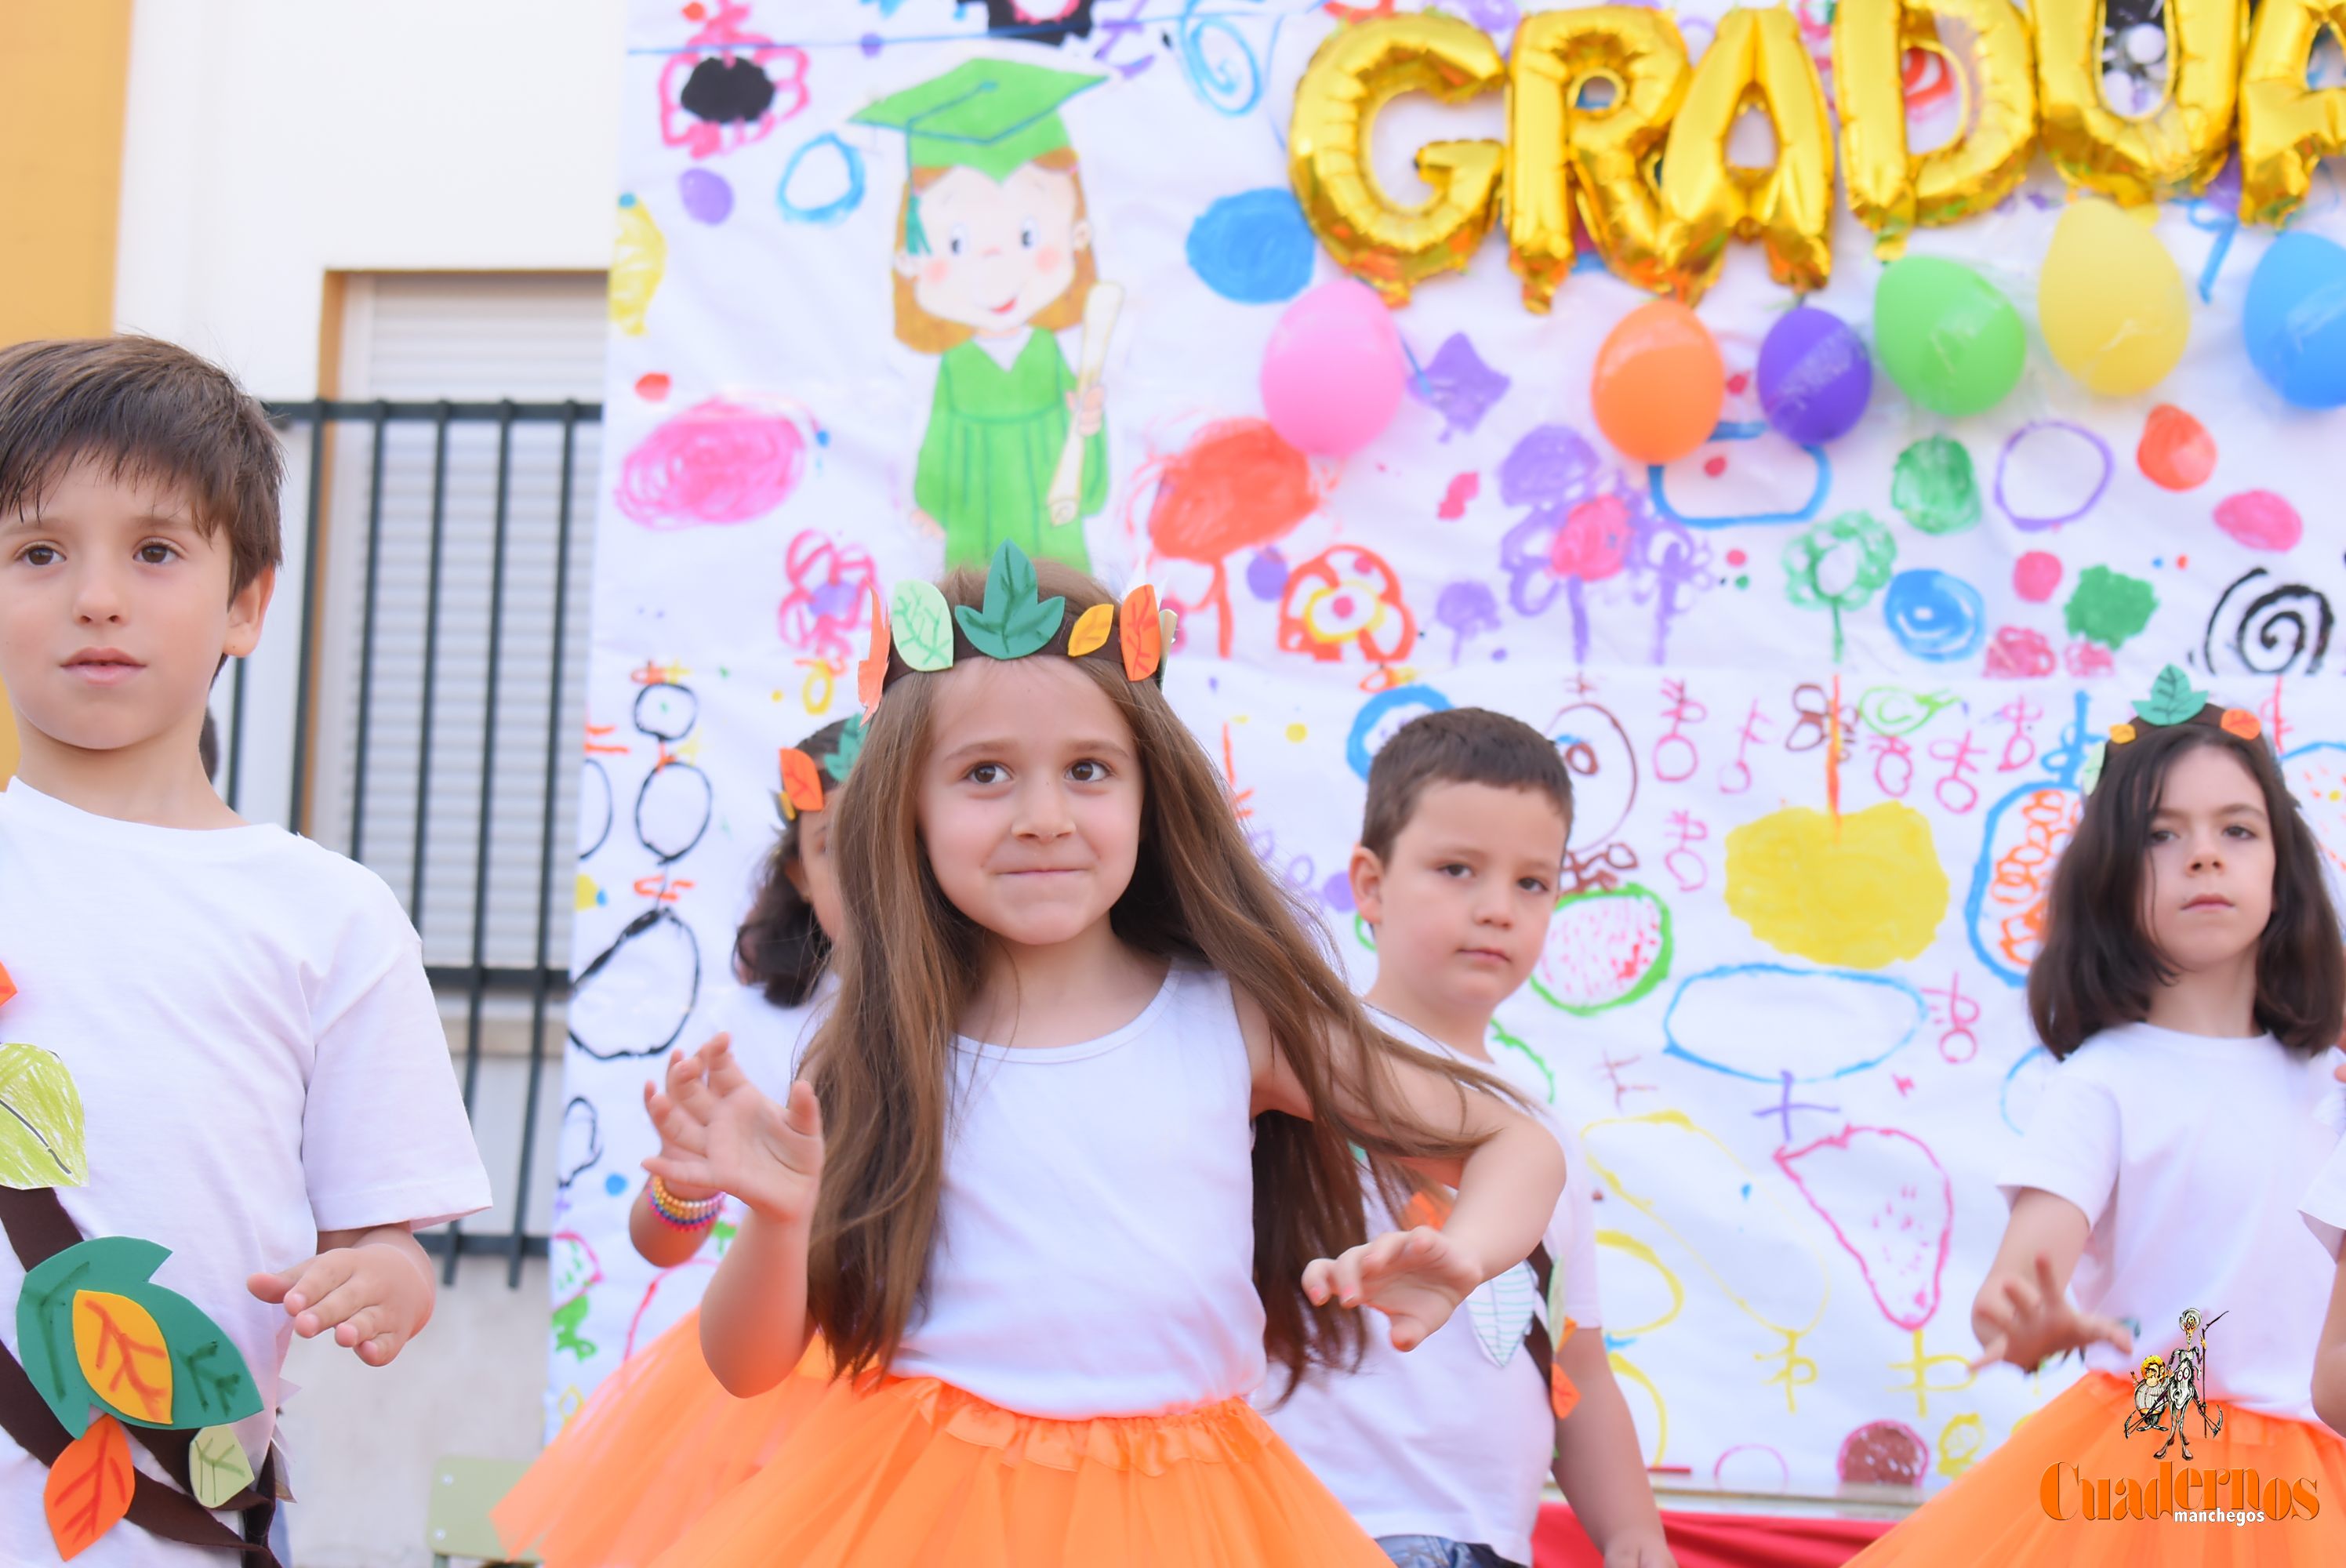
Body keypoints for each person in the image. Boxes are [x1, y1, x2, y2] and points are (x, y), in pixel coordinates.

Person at [637, 546, 1566, 1566]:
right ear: (908, 808)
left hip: (1195, 1522)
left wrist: (1469, 1252)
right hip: (931, 1521)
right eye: (985, 774)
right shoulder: (875, 1052)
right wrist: (776, 1220)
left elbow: (1513, 1144)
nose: (1045, 817)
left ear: (1149, 792)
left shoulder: (1234, 1015)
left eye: (1088, 771)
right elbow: (746, 1365)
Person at [0, 336, 488, 1564]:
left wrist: (385, 1284)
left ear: (248, 602)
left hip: (185, 1518)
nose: (96, 597)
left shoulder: (328, 915)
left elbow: (381, 1236)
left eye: (155, 552)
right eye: (39, 552)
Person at [1851, 669, 2346, 1562]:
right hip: (2146, 1474)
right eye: (2162, 833)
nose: (2204, 854)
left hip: (2318, 1481)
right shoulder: (2105, 1081)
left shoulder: (2331, 1078)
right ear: (2111, 877)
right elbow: (2020, 1279)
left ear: (2282, 866)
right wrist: (2023, 1317)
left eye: (2236, 828)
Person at [1263, 707, 1672, 1568]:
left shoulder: (1542, 1134)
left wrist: (1635, 1533)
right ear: (1369, 884)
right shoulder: (1287, 1073)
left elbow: (1579, 1367)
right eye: (1457, 869)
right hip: (1311, 1522)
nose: (1496, 909)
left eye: (1532, 882)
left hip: (1490, 1540)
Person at [493, 716, 860, 1564]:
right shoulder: (762, 1029)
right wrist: (689, 1184)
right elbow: (660, 1239)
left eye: (895, 842)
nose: (873, 876)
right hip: (779, 1383)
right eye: (840, 845)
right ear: (800, 872)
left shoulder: (998, 1012)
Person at [853, 58, 1110, 572]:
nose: (995, 267)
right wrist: (931, 507)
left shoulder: (1050, 356)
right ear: (910, 260)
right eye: (958, 242)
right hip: (978, 542)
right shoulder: (957, 367)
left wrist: (1088, 428)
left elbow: (1089, 481)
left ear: (1077, 234)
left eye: (1028, 236)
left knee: (1065, 624)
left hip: (1055, 544)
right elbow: (940, 448)